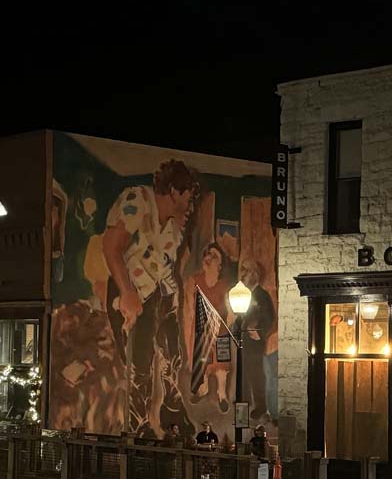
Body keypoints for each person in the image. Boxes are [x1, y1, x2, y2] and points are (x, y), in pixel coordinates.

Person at [102, 159, 199, 439]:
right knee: (140, 363)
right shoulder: (138, 200)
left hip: (159, 292)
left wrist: (173, 302)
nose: (191, 201)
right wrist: (127, 292)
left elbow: (165, 266)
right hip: (131, 291)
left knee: (172, 354)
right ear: (174, 191)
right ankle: (138, 424)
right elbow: (111, 247)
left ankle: (171, 408)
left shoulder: (172, 228)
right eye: (188, 194)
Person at [186, 243, 232, 412]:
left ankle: (222, 395)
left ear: (219, 263)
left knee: (221, 366)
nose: (210, 258)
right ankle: (202, 390)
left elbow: (231, 309)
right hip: (201, 329)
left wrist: (227, 320)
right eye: (209, 254)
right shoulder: (195, 280)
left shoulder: (224, 285)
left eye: (215, 256)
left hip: (220, 330)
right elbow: (190, 305)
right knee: (202, 362)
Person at [239, 260, 275, 421]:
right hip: (244, 342)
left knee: (256, 374)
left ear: (254, 275)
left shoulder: (262, 295)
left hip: (255, 342)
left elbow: (269, 317)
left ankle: (261, 406)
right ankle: (247, 404)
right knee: (246, 373)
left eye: (246, 273)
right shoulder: (243, 295)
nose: (243, 276)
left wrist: (259, 332)